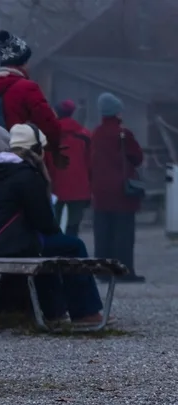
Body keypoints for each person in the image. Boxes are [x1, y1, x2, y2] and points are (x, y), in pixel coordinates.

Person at [0, 123, 103, 324]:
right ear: (35, 150)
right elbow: (44, 221)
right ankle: (86, 312)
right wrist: (44, 178)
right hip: (14, 245)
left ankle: (53, 311)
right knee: (73, 246)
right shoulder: (26, 175)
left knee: (50, 247)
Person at [0, 31, 63, 164]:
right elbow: (48, 125)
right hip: (21, 157)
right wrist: (53, 145)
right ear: (22, 63)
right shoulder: (26, 87)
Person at [90, 92, 144, 281]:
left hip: (100, 191)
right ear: (117, 112)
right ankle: (124, 271)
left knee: (103, 233)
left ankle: (103, 272)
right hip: (122, 191)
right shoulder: (123, 134)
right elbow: (137, 157)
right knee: (123, 233)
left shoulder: (95, 134)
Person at [52, 100, 92, 236]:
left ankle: (55, 251)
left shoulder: (49, 135)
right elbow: (90, 162)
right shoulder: (85, 135)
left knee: (53, 224)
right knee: (73, 226)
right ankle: (71, 251)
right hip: (79, 188)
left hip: (55, 187)